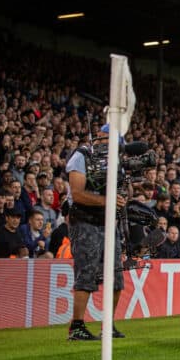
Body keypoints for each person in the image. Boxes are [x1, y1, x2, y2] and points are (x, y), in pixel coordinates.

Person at [65, 125, 126, 341]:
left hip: (109, 224)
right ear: (101, 137)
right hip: (84, 222)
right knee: (86, 273)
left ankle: (107, 325)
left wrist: (119, 199)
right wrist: (108, 200)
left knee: (117, 277)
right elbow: (78, 193)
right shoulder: (81, 156)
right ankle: (77, 326)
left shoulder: (115, 163)